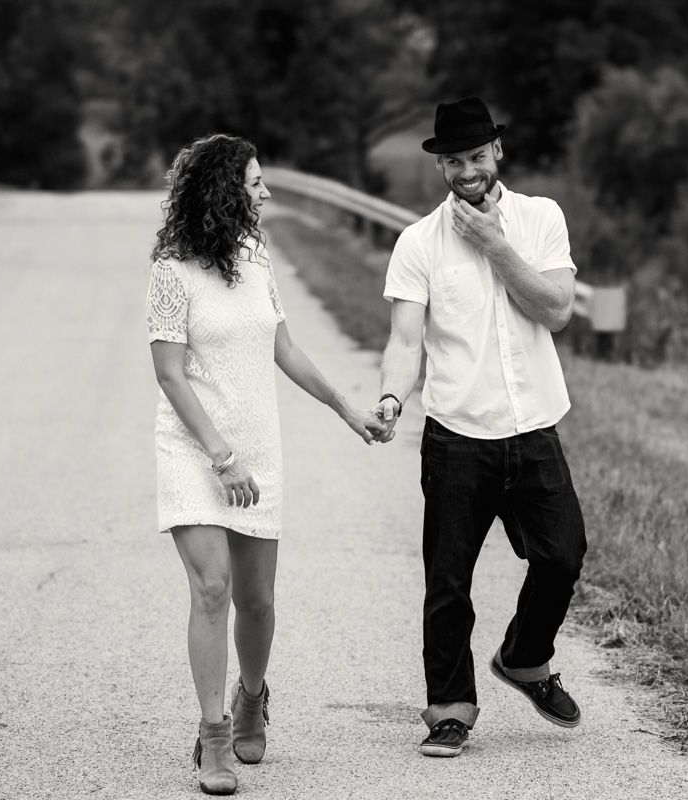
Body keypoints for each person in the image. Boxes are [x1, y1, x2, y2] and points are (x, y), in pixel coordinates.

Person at [145, 133, 384, 795]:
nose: (267, 193)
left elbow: (285, 347)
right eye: (255, 183)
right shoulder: (171, 270)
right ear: (225, 191)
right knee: (213, 590)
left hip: (259, 449)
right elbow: (169, 374)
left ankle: (253, 697)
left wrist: (346, 407)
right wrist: (219, 456)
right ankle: (214, 735)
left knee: (257, 601)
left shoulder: (255, 256)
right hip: (195, 450)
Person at [372, 97, 588, 757]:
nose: (466, 170)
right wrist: (390, 396)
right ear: (442, 164)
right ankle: (450, 710)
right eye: (454, 160)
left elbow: (556, 310)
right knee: (448, 581)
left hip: (532, 428)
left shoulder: (540, 218)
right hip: (457, 437)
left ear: (497, 152)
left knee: (563, 555)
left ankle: (525, 658)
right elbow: (406, 340)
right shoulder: (418, 243)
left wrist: (496, 247)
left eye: (476, 156)